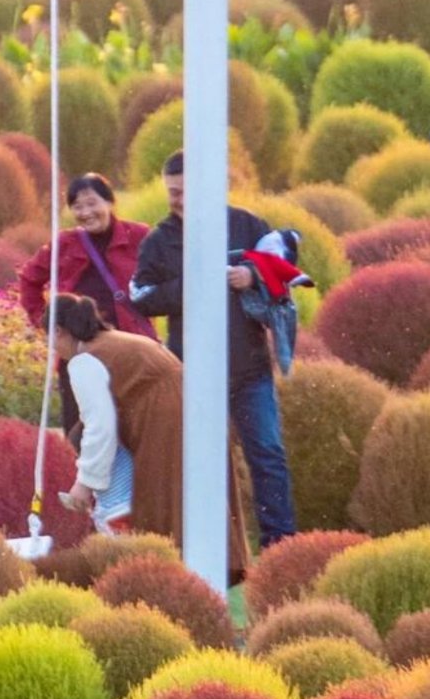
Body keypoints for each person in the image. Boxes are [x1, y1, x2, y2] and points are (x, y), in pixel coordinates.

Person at [128, 151, 297, 551]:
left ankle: (281, 547)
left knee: (268, 456)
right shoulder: (160, 241)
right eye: (172, 192)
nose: (179, 200)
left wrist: (252, 274)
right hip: (194, 374)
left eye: (185, 191)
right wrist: (192, 283)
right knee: (200, 464)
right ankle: (206, 545)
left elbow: (284, 262)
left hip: (249, 369)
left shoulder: (245, 224)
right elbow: (142, 296)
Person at [48, 296, 245, 568]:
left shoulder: (85, 361)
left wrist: (85, 484)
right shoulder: (117, 341)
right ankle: (206, 574)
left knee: (165, 504)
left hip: (164, 421)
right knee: (197, 500)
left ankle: (171, 577)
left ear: (58, 331)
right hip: (195, 406)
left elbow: (99, 427)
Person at [18, 172, 155, 340]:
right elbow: (29, 279)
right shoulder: (64, 244)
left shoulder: (138, 235)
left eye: (91, 204)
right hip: (78, 346)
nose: (86, 212)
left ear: (110, 202)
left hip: (130, 343)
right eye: (77, 206)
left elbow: (166, 273)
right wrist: (45, 321)